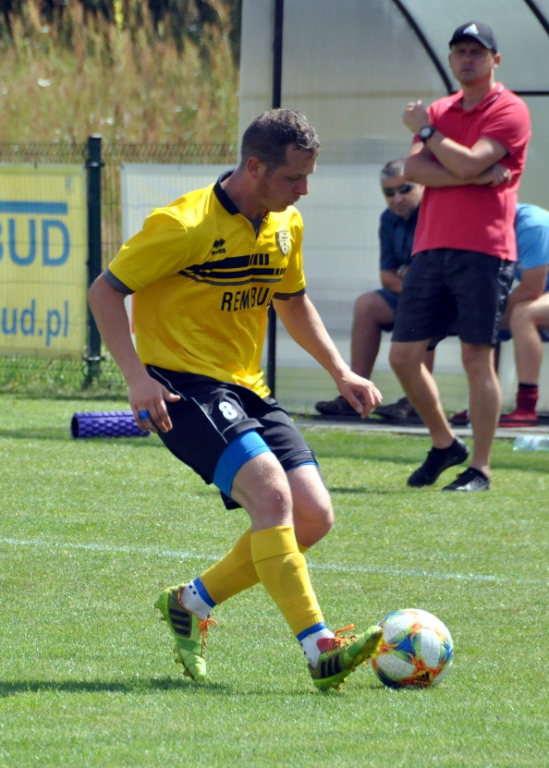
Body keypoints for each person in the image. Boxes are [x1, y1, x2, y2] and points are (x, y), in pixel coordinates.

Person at [87, 108, 383, 691]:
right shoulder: (184, 224)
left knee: (315, 516)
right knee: (272, 497)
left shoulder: (284, 223)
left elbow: (292, 302)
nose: (303, 190)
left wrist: (340, 370)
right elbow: (105, 291)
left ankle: (190, 603)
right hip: (182, 388)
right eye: (294, 178)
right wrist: (135, 378)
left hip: (247, 387)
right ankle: (320, 649)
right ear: (255, 166)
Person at [391, 20, 530, 492]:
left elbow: (458, 162)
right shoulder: (442, 109)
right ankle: (445, 444)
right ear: (450, 60)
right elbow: (413, 169)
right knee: (404, 355)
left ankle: (481, 468)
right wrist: (469, 170)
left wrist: (429, 134)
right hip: (430, 248)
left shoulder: (510, 109)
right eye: (460, 51)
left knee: (476, 358)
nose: (467, 59)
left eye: (476, 51)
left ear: (495, 60)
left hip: (485, 251)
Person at [315, 158, 431, 421]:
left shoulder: (435, 213)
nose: (397, 198)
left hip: (443, 300)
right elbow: (387, 278)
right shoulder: (388, 219)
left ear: (422, 186)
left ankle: (417, 400)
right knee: (367, 305)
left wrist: (413, 281)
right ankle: (356, 394)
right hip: (412, 294)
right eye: (388, 192)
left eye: (404, 189)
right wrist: (411, 281)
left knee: (426, 306)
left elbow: (433, 277)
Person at [498, 203, 549, 426]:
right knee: (479, 316)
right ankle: (480, 403)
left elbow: (531, 290)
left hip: (539, 292)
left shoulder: (531, 225)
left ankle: (527, 406)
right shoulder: (481, 223)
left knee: (524, 313)